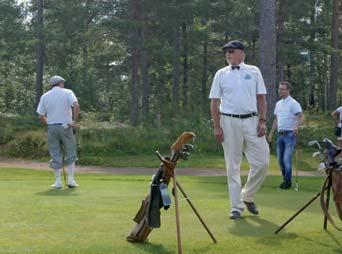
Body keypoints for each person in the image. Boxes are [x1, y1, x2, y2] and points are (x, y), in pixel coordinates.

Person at [209, 40, 269, 220]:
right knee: (232, 166)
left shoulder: (254, 71)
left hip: (252, 121)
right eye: (226, 52)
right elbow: (214, 102)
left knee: (262, 163)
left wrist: (263, 121)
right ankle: (236, 207)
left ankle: (247, 196)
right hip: (228, 122)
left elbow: (261, 98)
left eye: (232, 51)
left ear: (242, 53)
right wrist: (217, 126)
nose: (228, 54)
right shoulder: (220, 74)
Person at [36, 75, 80, 189]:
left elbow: (40, 115)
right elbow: (76, 105)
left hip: (52, 127)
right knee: (70, 152)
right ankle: (70, 180)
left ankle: (58, 182)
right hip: (66, 126)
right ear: (60, 83)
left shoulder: (45, 96)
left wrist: (49, 123)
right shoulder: (68, 92)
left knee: (55, 153)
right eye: (62, 82)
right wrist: (74, 121)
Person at [267, 81, 304, 189]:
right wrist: (271, 134)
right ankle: (285, 180)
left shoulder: (293, 103)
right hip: (280, 135)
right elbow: (276, 120)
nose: (280, 91)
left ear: (288, 90)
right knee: (280, 160)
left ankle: (287, 182)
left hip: (290, 135)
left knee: (286, 159)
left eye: (282, 89)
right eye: (279, 89)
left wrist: (296, 126)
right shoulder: (278, 104)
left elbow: (301, 117)